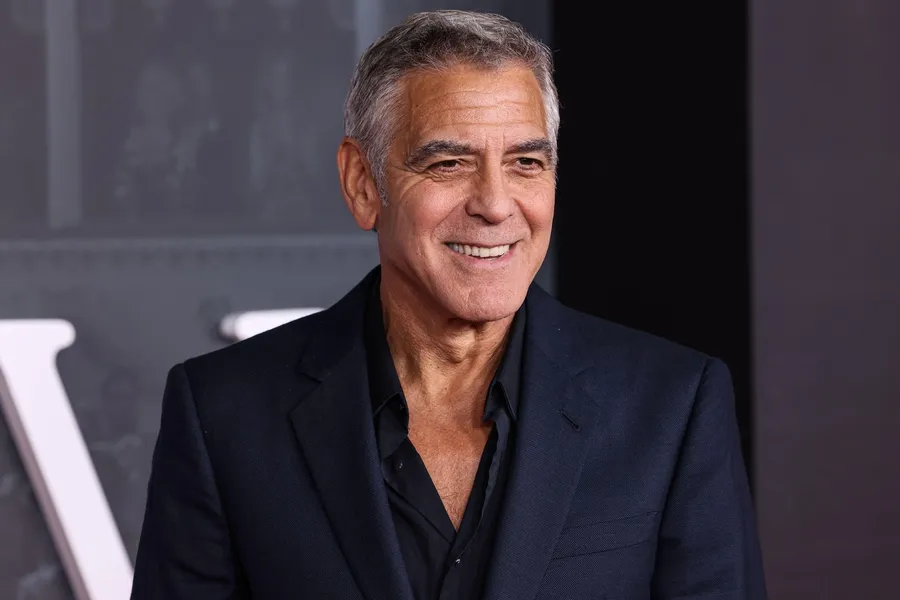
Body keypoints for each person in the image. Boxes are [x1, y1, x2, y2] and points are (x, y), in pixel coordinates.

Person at [131, 10, 767, 600]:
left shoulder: (672, 407)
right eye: (449, 164)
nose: (494, 204)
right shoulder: (225, 414)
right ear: (362, 184)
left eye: (525, 162)